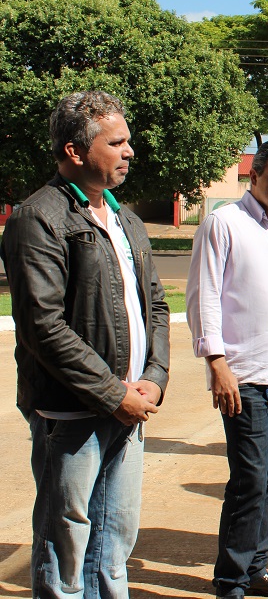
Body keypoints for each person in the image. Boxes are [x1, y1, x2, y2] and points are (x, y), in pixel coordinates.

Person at [0, 90, 170, 597]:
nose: (129, 151)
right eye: (116, 142)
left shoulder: (124, 219)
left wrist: (153, 379)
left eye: (128, 141)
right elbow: (43, 327)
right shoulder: (39, 218)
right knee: (65, 546)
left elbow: (156, 308)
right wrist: (112, 394)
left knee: (114, 544)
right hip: (72, 414)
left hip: (130, 407)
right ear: (76, 151)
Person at [187, 138, 268, 598]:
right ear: (255, 176)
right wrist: (217, 365)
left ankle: (256, 570)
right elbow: (203, 299)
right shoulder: (223, 224)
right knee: (247, 482)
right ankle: (230, 583)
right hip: (244, 380)